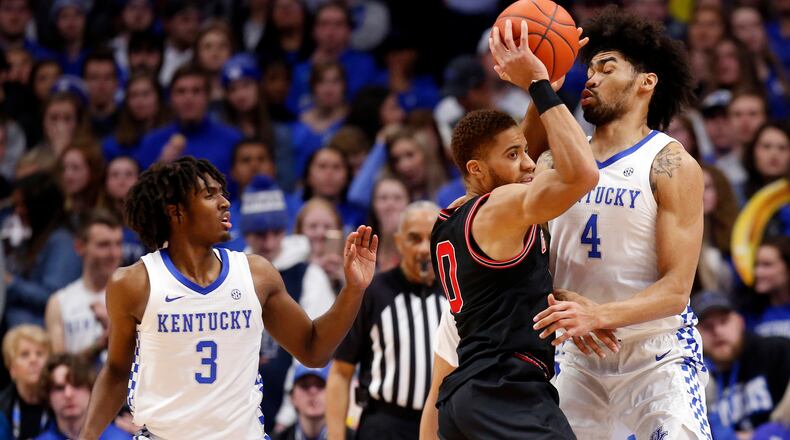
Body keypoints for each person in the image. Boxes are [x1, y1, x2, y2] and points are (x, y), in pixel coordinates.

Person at [80, 156, 378, 439]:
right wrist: (87, 436)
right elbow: (117, 371)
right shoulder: (133, 283)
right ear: (176, 210)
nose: (225, 202)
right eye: (209, 195)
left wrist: (353, 289)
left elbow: (314, 351)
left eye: (222, 193)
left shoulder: (256, 274)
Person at [520, 8, 708, 439]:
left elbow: (676, 290)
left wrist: (598, 314)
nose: (591, 78)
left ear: (646, 82)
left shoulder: (670, 162)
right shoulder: (557, 163)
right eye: (589, 69)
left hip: (657, 357)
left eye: (606, 67)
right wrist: (541, 89)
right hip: (577, 358)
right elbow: (509, 180)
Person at [425, 17, 598, 437]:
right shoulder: (500, 205)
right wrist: (538, 82)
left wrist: (547, 84)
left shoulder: (452, 215)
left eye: (525, 152)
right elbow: (582, 174)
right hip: (504, 391)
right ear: (477, 170)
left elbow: (522, 144)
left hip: (466, 396)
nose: (529, 163)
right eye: (514, 156)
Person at [326, 201, 446, 439]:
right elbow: (340, 371)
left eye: (431, 238)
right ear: (399, 242)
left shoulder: (458, 294)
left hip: (443, 425)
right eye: (414, 238)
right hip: (385, 425)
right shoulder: (372, 292)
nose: (424, 248)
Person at [240, 175, 335, 426]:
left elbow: (317, 345)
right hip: (240, 408)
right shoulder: (233, 273)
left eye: (276, 232)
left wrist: (289, 413)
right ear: (247, 233)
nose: (269, 242)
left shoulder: (308, 275)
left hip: (295, 409)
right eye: (260, 234)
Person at [694, 292, 790, 437]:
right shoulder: (697, 380)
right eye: (707, 327)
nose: (717, 331)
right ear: (695, 336)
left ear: (740, 321)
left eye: (724, 321)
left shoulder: (776, 351)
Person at [134, 64, 243, 177]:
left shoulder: (233, 140)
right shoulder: (151, 142)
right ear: (171, 98)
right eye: (181, 91)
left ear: (208, 96)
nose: (188, 98)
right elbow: (141, 192)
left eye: (196, 91)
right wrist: (160, 168)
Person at [44, 210, 122, 360]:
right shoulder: (59, 302)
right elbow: (61, 367)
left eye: (118, 244)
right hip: (81, 383)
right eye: (104, 245)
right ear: (80, 247)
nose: (114, 254)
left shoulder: (134, 295)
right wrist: (98, 346)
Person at [36, 354, 131, 440]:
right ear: (47, 396)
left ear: (92, 390)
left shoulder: (122, 437)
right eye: (59, 388)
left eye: (77, 385)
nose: (68, 394)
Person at [0, 325, 50, 439]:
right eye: (24, 354)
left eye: (40, 354)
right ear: (11, 368)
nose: (33, 360)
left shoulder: (62, 400)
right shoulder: (1, 408)